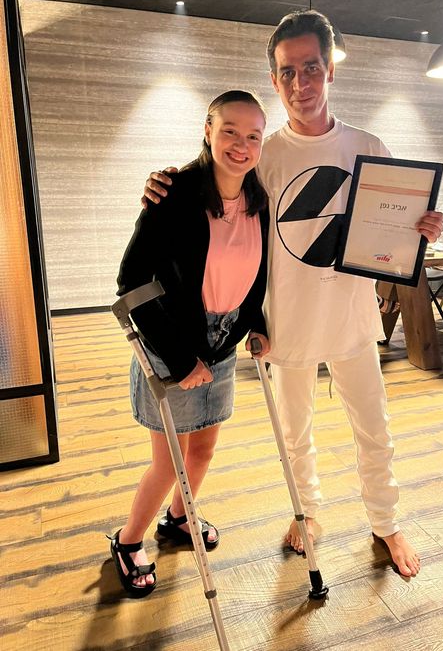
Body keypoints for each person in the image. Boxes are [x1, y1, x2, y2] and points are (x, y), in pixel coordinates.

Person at [142, 11, 443, 578]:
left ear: (330, 70)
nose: (300, 83)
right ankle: (306, 513)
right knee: (293, 434)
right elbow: (213, 184)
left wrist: (424, 227)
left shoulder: (369, 146)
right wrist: (165, 185)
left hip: (352, 317)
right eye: (287, 72)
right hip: (284, 322)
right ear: (274, 79)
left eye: (311, 68)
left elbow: (394, 223)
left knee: (374, 428)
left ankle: (386, 521)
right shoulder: (265, 154)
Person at [110, 90, 270, 597]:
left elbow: (253, 270)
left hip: (222, 344)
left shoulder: (259, 200)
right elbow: (131, 282)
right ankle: (128, 540)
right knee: (170, 461)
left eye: (252, 136)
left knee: (203, 447)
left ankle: (180, 518)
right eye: (230, 131)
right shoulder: (174, 193)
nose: (241, 145)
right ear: (208, 130)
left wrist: (257, 322)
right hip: (172, 343)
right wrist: (181, 360)